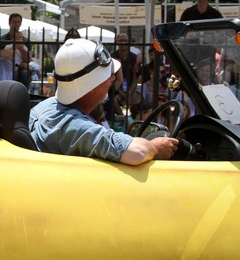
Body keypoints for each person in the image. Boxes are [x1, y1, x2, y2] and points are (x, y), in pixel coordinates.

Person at [29, 38, 178, 166]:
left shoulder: (44, 107)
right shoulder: (75, 127)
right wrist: (155, 147)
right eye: (107, 75)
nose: (112, 78)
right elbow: (137, 152)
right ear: (91, 84)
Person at [0, 13, 31, 88]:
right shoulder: (3, 40)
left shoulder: (25, 40)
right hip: (6, 67)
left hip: (22, 67)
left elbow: (28, 59)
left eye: (18, 22)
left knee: (24, 74)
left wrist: (21, 48)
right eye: (14, 22)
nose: (16, 24)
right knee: (13, 75)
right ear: (9, 23)